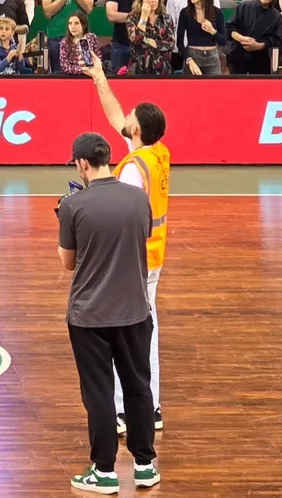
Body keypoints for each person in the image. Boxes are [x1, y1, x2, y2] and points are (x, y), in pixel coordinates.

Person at [56, 132, 160, 494]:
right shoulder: (139, 199)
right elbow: (141, 238)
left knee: (99, 393)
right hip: (134, 311)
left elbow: (68, 264)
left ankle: (104, 472)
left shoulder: (73, 206)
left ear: (82, 163)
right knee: (138, 387)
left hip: (90, 316)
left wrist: (65, 219)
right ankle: (145, 466)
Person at [82, 48, 171, 439]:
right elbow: (116, 116)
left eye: (131, 117)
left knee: (128, 335)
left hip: (136, 263)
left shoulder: (134, 170)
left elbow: (125, 218)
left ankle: (126, 410)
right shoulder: (156, 152)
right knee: (146, 329)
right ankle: (150, 407)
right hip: (152, 258)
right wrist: (100, 78)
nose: (126, 118)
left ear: (137, 131)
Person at [226, 0, 282, 73]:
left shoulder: (276, 16)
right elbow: (229, 27)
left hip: (262, 58)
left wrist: (258, 46)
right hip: (239, 53)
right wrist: (241, 38)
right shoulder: (244, 6)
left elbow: (277, 40)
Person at [126, 0, 175, 75]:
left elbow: (171, 44)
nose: (152, 0)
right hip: (139, 68)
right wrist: (144, 16)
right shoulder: (132, 17)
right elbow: (136, 39)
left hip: (162, 69)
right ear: (141, 0)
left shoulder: (166, 18)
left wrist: (151, 42)